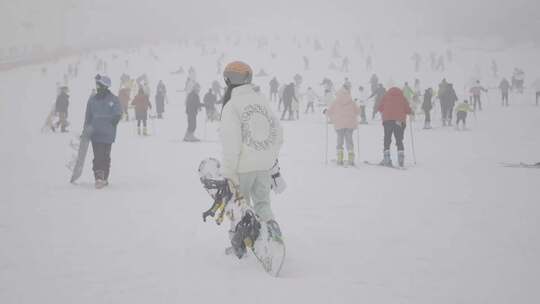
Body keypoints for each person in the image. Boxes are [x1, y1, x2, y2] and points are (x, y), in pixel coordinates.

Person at [220, 61, 284, 245]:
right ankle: (273, 234)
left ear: (228, 80)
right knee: (263, 205)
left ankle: (239, 243)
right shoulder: (261, 101)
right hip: (264, 166)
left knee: (238, 206)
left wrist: (229, 173)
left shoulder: (232, 106)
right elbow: (278, 133)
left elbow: (231, 143)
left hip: (242, 168)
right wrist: (269, 157)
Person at [83, 75, 122, 189]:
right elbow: (88, 117)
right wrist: (85, 130)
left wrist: (116, 118)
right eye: (97, 85)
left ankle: (105, 177)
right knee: (98, 156)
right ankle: (98, 178)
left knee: (105, 156)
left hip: (108, 134)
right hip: (95, 134)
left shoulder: (113, 99)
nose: (97, 87)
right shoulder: (92, 100)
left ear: (105, 86)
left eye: (99, 85)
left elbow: (118, 112)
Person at [377, 87, 412, 167]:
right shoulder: (402, 97)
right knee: (399, 139)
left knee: (387, 139)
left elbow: (380, 107)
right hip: (399, 121)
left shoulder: (386, 96)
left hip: (388, 120)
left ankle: (387, 159)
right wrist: (410, 111)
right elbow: (408, 109)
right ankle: (401, 159)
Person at [326, 84, 360, 166]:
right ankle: (351, 158)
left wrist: (326, 112)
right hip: (350, 123)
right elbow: (358, 111)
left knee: (340, 140)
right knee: (349, 140)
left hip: (339, 123)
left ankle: (340, 158)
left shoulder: (335, 101)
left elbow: (329, 111)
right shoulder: (351, 101)